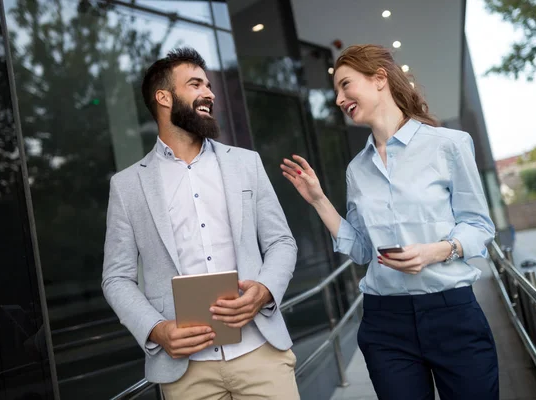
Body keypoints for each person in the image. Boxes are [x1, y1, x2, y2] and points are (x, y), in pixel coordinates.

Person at [281, 44, 498, 399]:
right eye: (336, 91)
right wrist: (319, 201)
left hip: (451, 312)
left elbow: (479, 226)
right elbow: (363, 251)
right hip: (386, 322)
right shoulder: (357, 169)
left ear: (379, 78)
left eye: (345, 85)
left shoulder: (449, 144)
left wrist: (437, 251)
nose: (338, 99)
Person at [102, 48, 299, 400]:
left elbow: (281, 242)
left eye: (208, 85)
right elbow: (116, 278)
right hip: (186, 373)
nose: (209, 93)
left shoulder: (246, 163)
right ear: (164, 97)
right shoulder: (127, 185)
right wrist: (157, 329)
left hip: (261, 353)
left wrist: (266, 289)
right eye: (195, 84)